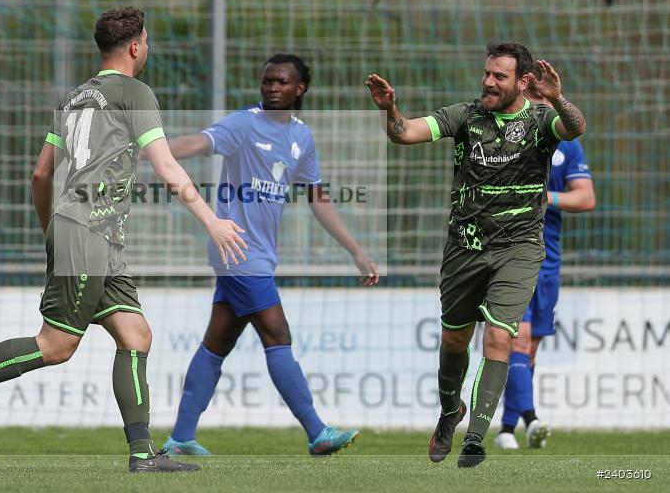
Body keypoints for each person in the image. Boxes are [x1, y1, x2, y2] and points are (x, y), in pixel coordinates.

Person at [0, 7, 248, 473]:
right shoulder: (135, 92)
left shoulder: (73, 99)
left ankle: (141, 455)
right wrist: (211, 220)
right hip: (90, 232)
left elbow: (40, 174)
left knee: (136, 334)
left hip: (88, 233)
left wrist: (51, 230)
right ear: (135, 47)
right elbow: (165, 166)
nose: (147, 49)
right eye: (147, 43)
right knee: (56, 346)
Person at [365, 41, 587, 468]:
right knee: (454, 338)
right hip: (465, 247)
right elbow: (405, 133)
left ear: (523, 82)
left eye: (498, 76)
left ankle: (477, 437)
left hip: (519, 248)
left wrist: (558, 96)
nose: (488, 81)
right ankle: (451, 414)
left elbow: (575, 128)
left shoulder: (542, 120)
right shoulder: (465, 116)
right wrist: (389, 110)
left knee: (501, 336)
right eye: (487, 73)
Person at [162, 53, 379, 457]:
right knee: (277, 334)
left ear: (300, 88)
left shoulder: (301, 137)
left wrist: (356, 251)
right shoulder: (243, 124)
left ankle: (180, 437)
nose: (272, 88)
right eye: (267, 81)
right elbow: (198, 142)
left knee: (216, 343)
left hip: (258, 254)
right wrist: (152, 149)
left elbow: (317, 196)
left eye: (281, 82)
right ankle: (317, 432)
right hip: (237, 249)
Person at [494, 76, 596, 450]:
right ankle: (531, 418)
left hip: (547, 259)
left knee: (529, 348)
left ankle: (507, 429)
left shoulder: (567, 147)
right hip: (510, 252)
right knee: (516, 339)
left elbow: (585, 198)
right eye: (532, 96)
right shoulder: (507, 139)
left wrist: (545, 197)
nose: (539, 103)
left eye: (544, 96)